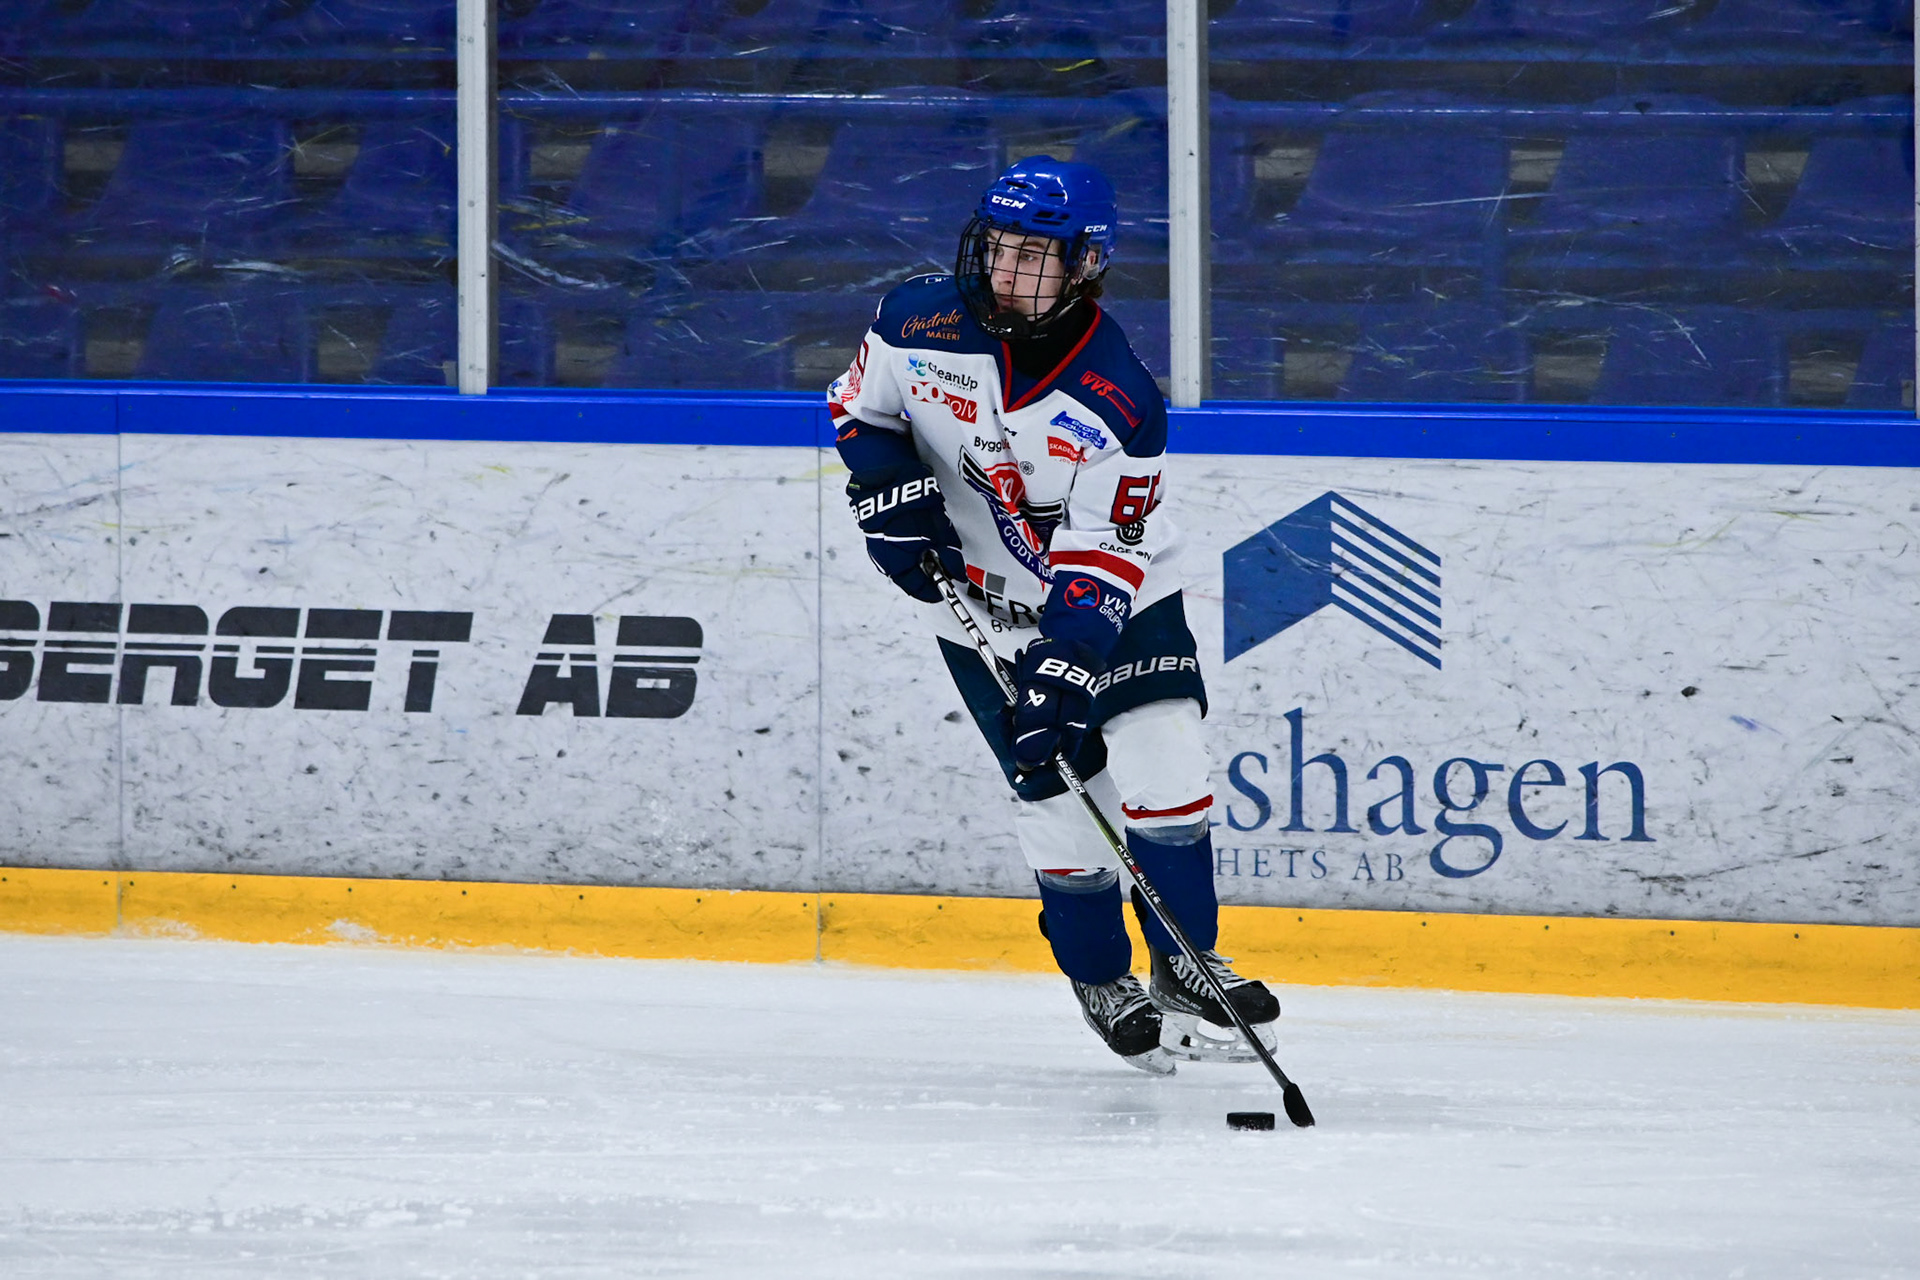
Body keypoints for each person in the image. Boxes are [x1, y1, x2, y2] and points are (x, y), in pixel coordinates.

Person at [826, 156, 1279, 1075]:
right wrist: (887, 493)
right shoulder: (912, 320)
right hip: (981, 611)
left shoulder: (1119, 398)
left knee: (1165, 764)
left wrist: (1069, 657)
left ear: (1087, 264)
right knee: (1060, 801)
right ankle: (1101, 978)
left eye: (1034, 256)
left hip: (1117, 602)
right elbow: (858, 410)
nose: (1006, 271)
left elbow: (1103, 552)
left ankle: (1187, 966)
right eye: (998, 247)